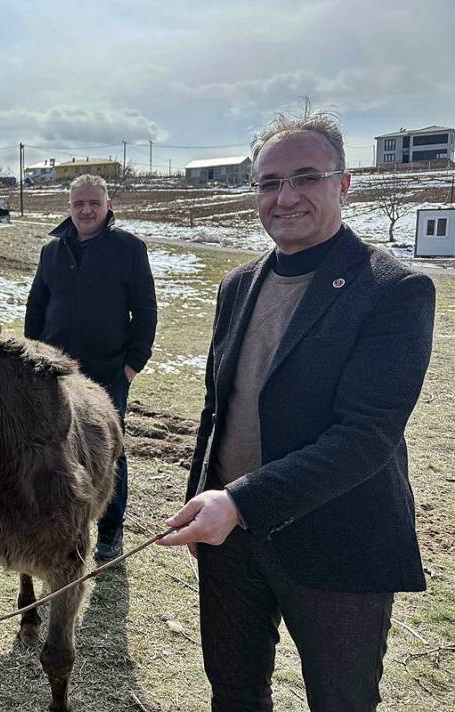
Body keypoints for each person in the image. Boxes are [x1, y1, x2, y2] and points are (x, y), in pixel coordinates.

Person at [159, 110, 435, 711]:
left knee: (340, 700)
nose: (285, 197)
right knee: (233, 693)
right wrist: (210, 497)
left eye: (305, 178)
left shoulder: (393, 290)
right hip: (230, 544)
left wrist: (239, 501)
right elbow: (220, 409)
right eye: (268, 182)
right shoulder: (237, 284)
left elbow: (366, 437)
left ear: (344, 183)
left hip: (337, 541)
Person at [24, 173, 157, 562]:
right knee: (51, 444)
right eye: (78, 203)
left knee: (109, 451)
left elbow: (145, 310)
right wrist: (32, 354)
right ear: (69, 207)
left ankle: (109, 531)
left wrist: (133, 364)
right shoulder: (53, 251)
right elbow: (36, 306)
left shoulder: (128, 248)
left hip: (108, 371)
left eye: (93, 203)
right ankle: (55, 522)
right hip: (55, 372)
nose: (86, 210)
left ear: (107, 205)